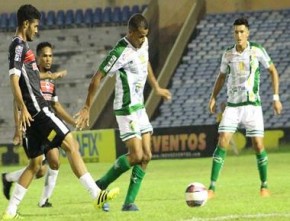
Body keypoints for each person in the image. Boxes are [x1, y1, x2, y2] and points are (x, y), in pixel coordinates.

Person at [2, 4, 119, 220]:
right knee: (70, 144)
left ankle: (9, 212)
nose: (37, 30)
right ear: (26, 23)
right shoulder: (18, 46)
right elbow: (14, 80)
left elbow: (31, 78)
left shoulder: (22, 47)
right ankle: (96, 195)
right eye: (35, 26)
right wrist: (25, 108)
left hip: (33, 113)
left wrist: (50, 77)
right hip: (38, 110)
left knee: (35, 164)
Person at [75, 13, 171, 211]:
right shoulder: (120, 51)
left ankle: (129, 203)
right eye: (139, 36)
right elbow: (97, 78)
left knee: (147, 156)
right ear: (130, 32)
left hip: (139, 106)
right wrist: (86, 107)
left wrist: (157, 87)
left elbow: (145, 63)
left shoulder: (143, 44)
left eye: (145, 36)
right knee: (136, 155)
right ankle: (101, 185)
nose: (142, 40)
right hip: (126, 106)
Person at [207, 17, 283, 199]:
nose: (239, 35)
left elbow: (273, 71)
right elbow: (221, 76)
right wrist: (213, 97)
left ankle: (264, 185)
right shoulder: (228, 54)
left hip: (252, 106)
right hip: (233, 106)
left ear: (247, 33)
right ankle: (212, 188)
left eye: (242, 32)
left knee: (258, 145)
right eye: (236, 32)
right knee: (223, 140)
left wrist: (276, 97)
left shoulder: (257, 50)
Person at [2, 42, 73, 208]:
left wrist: (72, 121)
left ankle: (44, 201)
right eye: (45, 56)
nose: (48, 59)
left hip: (47, 126)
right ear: (38, 58)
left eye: (50, 56)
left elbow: (55, 105)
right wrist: (17, 128)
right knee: (38, 169)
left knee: (54, 162)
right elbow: (17, 102)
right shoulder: (29, 78)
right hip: (32, 126)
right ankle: (8, 178)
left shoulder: (50, 81)